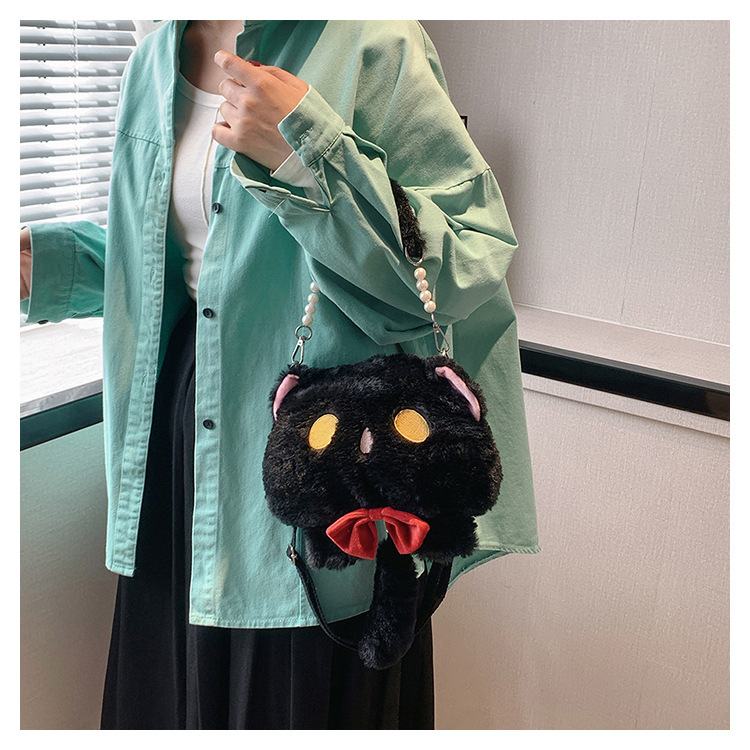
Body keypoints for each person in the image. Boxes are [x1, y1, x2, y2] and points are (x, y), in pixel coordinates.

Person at [20, 20, 539, 729]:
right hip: (183, 444)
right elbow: (188, 253)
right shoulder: (152, 60)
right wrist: (41, 262)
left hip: (326, 446)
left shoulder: (372, 41)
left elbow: (460, 267)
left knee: (297, 695)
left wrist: (302, 153)